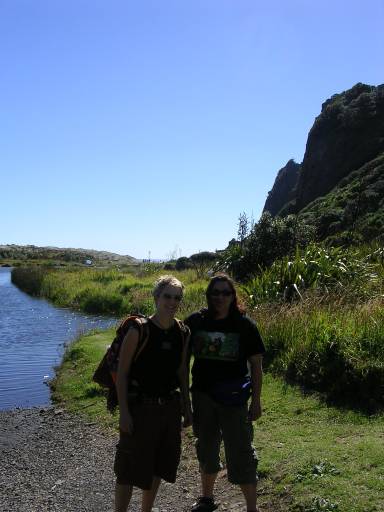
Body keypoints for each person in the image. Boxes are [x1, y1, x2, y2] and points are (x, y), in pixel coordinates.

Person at [185, 274, 265, 512]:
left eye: (225, 293)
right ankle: (207, 498)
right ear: (208, 295)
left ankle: (252, 507)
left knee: (240, 450)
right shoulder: (196, 322)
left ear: (233, 296)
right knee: (206, 448)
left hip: (234, 399)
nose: (220, 297)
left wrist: (257, 401)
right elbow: (181, 361)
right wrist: (183, 400)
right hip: (202, 396)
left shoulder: (245, 325)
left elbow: (257, 366)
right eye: (215, 292)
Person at [114, 275, 192, 512]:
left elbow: (182, 373)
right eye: (167, 296)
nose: (172, 302)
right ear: (156, 297)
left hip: (169, 409)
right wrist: (124, 413)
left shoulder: (182, 332)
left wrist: (187, 408)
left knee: (159, 465)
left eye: (176, 298)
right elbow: (122, 374)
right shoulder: (139, 330)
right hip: (140, 408)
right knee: (128, 469)